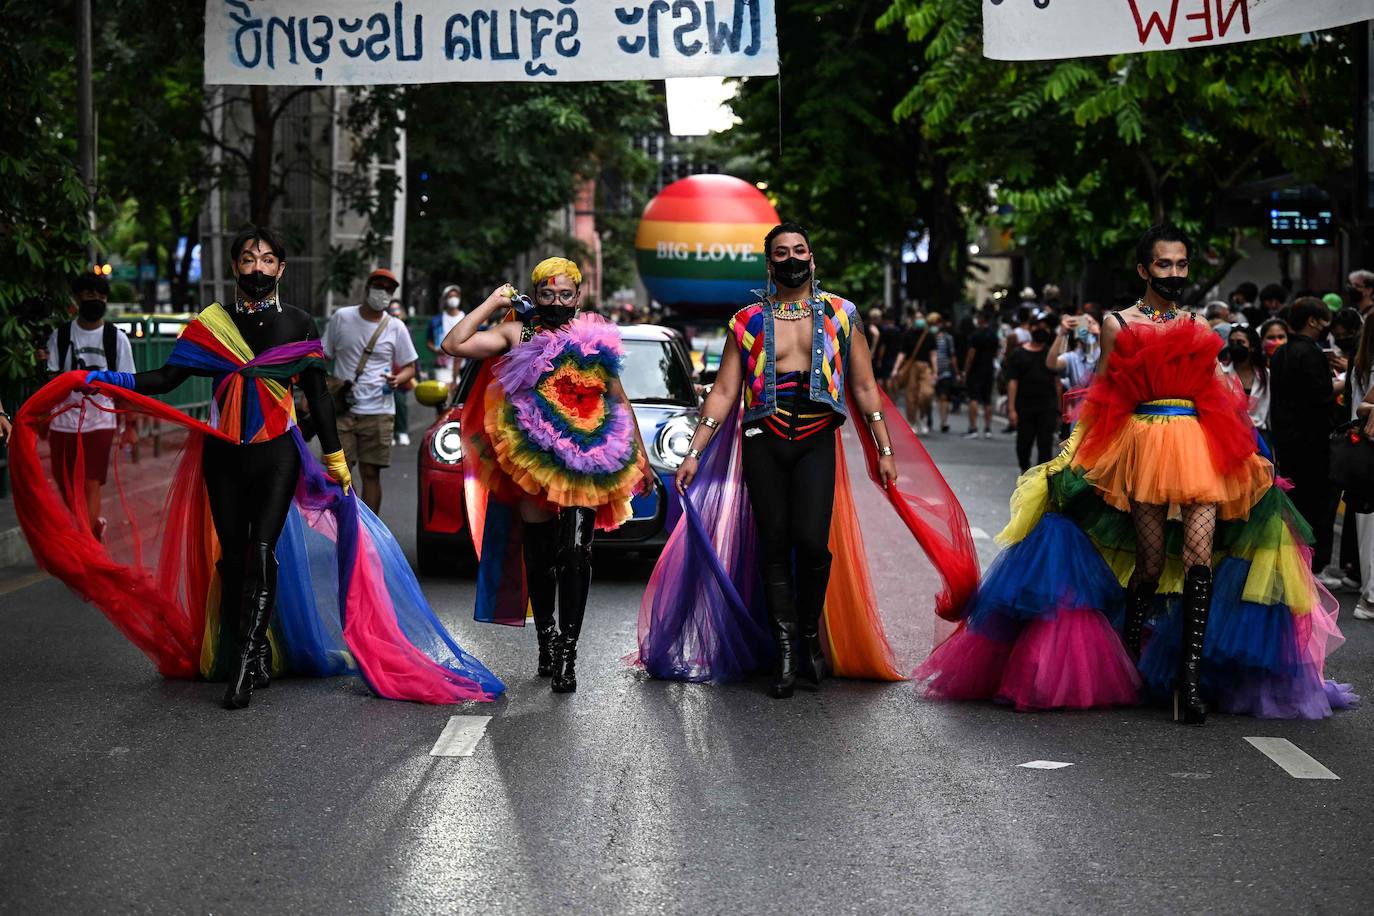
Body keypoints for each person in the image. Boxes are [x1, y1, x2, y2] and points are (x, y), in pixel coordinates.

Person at [14, 226, 501, 710]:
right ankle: (255, 649)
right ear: (235, 267)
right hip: (223, 453)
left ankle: (246, 661)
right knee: (233, 556)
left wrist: (335, 458)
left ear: (281, 269)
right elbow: (166, 377)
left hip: (277, 453)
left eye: (267, 259)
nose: (258, 267)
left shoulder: (299, 323)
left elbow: (318, 397)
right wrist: (101, 378)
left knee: (263, 548)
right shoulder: (211, 324)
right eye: (248, 259)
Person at [915, 224, 1356, 723]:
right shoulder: (1119, 324)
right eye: (1164, 264)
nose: (1174, 273)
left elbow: (1218, 392)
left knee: (1199, 558)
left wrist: (1248, 446)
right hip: (1143, 447)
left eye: (1182, 264)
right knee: (1149, 564)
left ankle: (1188, 680)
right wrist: (1075, 451)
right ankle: (1129, 651)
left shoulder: (1197, 324)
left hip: (1199, 447)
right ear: (1145, 269)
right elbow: (1105, 394)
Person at [637, 221, 978, 698]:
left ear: (812, 259)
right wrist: (694, 452)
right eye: (782, 253)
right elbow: (725, 392)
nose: (792, 259)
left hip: (817, 439)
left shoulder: (842, 314)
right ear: (769, 263)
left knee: (812, 544)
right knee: (774, 544)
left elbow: (864, 386)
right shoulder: (746, 321)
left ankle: (809, 640)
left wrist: (884, 450)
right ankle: (786, 653)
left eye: (799, 251)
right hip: (763, 439)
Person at [440, 257, 652, 694]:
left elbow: (617, 397)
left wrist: (643, 458)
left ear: (578, 296)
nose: (556, 302)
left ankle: (567, 652)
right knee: (539, 558)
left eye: (565, 294)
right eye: (547, 294)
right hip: (532, 456)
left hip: (588, 455)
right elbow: (453, 344)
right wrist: (493, 303)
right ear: (534, 296)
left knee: (576, 553)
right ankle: (546, 637)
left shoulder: (594, 337)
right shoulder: (517, 332)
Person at [44, 274, 137, 541]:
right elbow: (51, 379)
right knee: (64, 482)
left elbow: (128, 385)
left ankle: (87, 543)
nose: (96, 300)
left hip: (100, 420)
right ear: (77, 298)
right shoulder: (60, 336)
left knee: (90, 482)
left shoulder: (116, 339)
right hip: (63, 421)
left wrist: (130, 426)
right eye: (90, 294)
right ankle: (91, 525)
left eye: (101, 296)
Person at [323, 268, 419, 515]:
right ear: (367, 289)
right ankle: (352, 519)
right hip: (342, 408)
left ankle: (369, 529)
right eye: (379, 287)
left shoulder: (396, 327)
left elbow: (410, 367)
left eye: (389, 289)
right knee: (340, 472)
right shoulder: (342, 317)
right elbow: (323, 356)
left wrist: (398, 379)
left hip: (379, 410)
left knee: (370, 473)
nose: (383, 293)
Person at [1270, 297, 1342, 585]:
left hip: (1287, 444)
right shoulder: (1311, 354)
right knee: (1318, 508)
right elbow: (1321, 398)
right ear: (1313, 321)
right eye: (1324, 320)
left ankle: (1293, 563)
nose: (1327, 325)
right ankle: (1315, 565)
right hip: (1314, 445)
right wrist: (1344, 383)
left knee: (1294, 507)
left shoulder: (1281, 353)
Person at [1004, 314, 1059, 472]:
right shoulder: (1018, 354)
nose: (1041, 330)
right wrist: (1011, 408)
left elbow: (1057, 382)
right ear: (1030, 328)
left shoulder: (1051, 354)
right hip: (1024, 407)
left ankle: (1040, 479)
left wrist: (1058, 409)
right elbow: (1012, 381)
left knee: (1045, 446)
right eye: (1037, 326)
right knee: (1023, 444)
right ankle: (1025, 470)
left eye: (1045, 327)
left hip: (1047, 407)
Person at [1348, 314, 1374, 619]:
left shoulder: (1362, 362)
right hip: (1368, 452)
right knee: (1369, 527)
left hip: (1364, 451)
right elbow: (1363, 405)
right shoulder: (1366, 364)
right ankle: (1369, 597)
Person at [1220, 326, 1271, 446]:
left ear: (1252, 347)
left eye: (1240, 342)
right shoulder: (1221, 372)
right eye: (1232, 342)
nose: (1235, 346)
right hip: (1231, 435)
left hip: (1260, 436)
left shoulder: (1266, 375)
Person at [892, 312, 936, 433]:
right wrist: (896, 368)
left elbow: (933, 354)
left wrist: (935, 371)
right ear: (913, 320)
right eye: (917, 318)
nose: (919, 320)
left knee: (926, 394)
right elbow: (902, 353)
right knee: (911, 397)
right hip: (911, 367)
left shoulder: (929, 335)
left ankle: (922, 416)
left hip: (925, 367)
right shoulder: (908, 335)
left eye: (921, 317)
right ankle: (912, 421)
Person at [962, 308, 999, 439]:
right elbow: (996, 353)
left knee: (973, 398)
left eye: (978, 318)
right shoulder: (994, 335)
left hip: (976, 369)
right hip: (989, 368)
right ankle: (988, 428)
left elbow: (971, 355)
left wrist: (966, 371)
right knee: (987, 400)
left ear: (982, 319)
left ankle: (973, 428)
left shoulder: (976, 335)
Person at [386, 299, 414, 447]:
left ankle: (402, 431)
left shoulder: (407, 330)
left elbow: (412, 355)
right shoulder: (383, 329)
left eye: (397, 309)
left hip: (401, 372)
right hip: (385, 372)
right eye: (392, 310)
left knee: (401, 402)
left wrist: (417, 372)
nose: (395, 312)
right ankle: (389, 432)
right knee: (386, 403)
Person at [427, 284, 465, 387]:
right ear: (445, 299)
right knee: (444, 391)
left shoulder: (465, 318)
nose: (453, 299)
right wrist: (437, 349)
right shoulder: (436, 321)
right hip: (443, 365)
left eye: (456, 296)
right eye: (450, 296)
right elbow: (429, 342)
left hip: (462, 367)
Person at [930, 313, 959, 433]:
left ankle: (944, 421)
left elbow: (952, 355)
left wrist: (956, 372)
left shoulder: (948, 338)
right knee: (930, 396)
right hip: (930, 372)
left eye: (937, 322)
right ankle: (928, 418)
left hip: (945, 371)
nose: (935, 325)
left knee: (944, 396)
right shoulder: (928, 337)